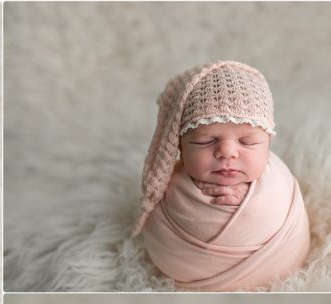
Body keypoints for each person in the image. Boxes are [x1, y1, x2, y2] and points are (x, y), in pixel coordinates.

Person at [132, 61, 310, 291]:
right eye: (205, 141)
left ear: (268, 142)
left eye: (247, 141)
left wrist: (254, 204)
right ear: (179, 146)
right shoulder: (169, 189)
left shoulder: (279, 180)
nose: (227, 152)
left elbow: (284, 208)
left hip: (281, 261)